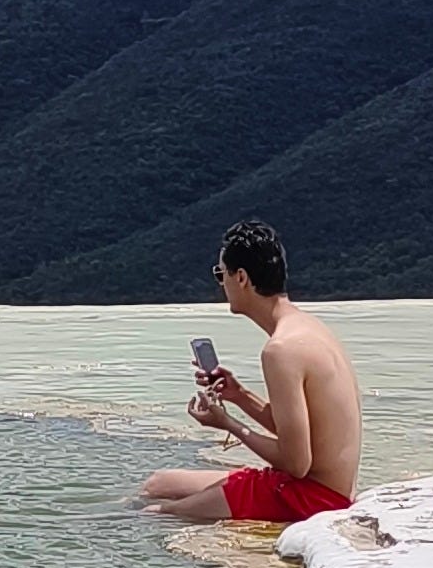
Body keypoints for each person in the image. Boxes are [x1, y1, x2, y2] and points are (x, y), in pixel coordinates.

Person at [142, 220, 362, 525]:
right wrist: (239, 395)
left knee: (156, 514)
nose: (221, 284)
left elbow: (297, 464)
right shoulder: (309, 328)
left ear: (241, 277)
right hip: (325, 488)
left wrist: (228, 424)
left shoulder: (281, 350)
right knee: (158, 485)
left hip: (310, 497)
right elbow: (302, 436)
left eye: (221, 274)